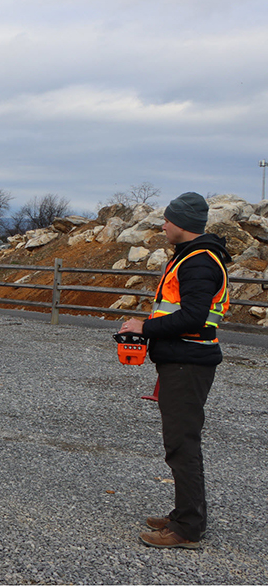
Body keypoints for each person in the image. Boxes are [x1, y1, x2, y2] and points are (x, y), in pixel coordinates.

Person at [119, 191, 230, 549]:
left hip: (188, 363)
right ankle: (185, 513)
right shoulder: (193, 257)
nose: (164, 225)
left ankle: (187, 528)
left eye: (168, 219)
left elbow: (193, 317)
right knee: (180, 442)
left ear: (181, 223)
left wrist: (144, 328)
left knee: (182, 444)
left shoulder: (199, 262)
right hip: (183, 360)